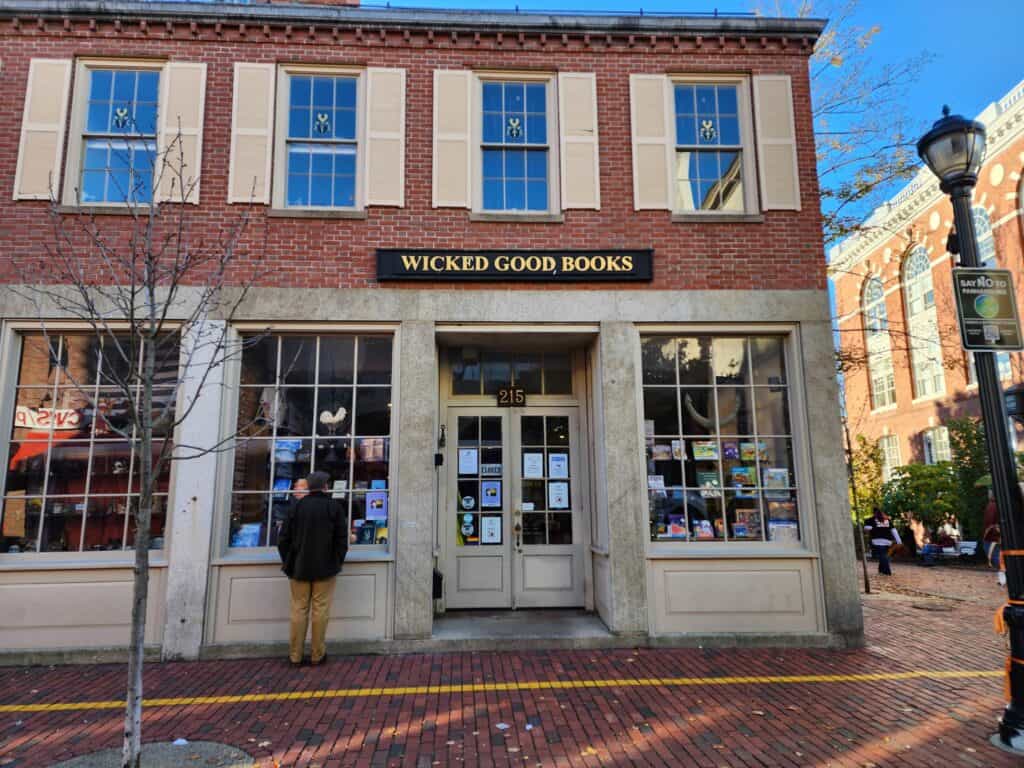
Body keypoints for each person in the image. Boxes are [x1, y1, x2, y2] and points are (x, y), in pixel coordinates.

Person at [277, 471, 348, 666]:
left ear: (308, 487)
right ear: (325, 487)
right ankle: (317, 654)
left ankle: (295, 655)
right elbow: (342, 540)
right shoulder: (333, 508)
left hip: (298, 566)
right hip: (325, 567)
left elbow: (283, 540)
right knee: (320, 610)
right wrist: (336, 561)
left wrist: (289, 561)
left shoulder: (297, 508)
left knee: (299, 610)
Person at [864, 508, 901, 576]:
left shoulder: (870, 519)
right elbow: (894, 531)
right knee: (883, 555)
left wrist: (872, 528)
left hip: (877, 540)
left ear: (874, 513)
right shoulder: (887, 519)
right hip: (887, 541)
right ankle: (881, 570)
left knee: (883, 555)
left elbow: (866, 528)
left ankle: (887, 571)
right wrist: (899, 541)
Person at [984, 490, 1007, 587]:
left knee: (997, 559)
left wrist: (994, 531)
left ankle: (1005, 578)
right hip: (997, 536)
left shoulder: (992, 505)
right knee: (1000, 558)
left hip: (994, 537)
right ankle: (1003, 580)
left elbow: (990, 522)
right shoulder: (999, 504)